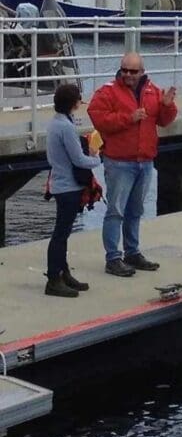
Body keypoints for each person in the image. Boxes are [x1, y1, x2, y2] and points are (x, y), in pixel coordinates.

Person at [87, 52, 177, 277]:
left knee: (135, 210)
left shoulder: (152, 91)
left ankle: (132, 252)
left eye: (133, 71)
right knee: (115, 211)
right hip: (119, 162)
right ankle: (113, 258)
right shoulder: (107, 92)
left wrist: (167, 106)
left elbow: (165, 121)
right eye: (124, 70)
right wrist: (129, 117)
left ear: (142, 72)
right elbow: (98, 118)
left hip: (145, 161)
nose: (128, 74)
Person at [45, 84, 101, 297]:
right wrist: (96, 157)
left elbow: (55, 157)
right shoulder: (66, 127)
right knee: (61, 233)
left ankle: (63, 272)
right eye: (79, 99)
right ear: (73, 103)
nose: (81, 102)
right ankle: (53, 278)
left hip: (60, 183)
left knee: (64, 232)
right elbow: (78, 159)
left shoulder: (55, 123)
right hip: (68, 187)